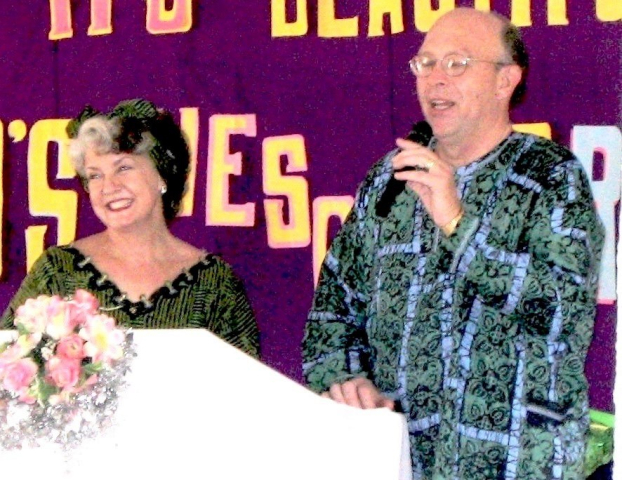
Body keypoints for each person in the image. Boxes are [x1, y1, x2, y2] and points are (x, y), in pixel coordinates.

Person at [302, 8, 604, 479]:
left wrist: (456, 221)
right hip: (402, 460)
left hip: (518, 462)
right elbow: (333, 310)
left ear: (505, 80)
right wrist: (345, 378)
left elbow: (563, 310)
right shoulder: (388, 180)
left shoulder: (550, 176)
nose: (435, 79)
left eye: (457, 64)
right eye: (425, 63)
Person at [1, 99, 259, 358]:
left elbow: (247, 379)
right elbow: (7, 364)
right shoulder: (57, 270)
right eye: (95, 175)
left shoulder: (215, 283)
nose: (108, 187)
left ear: (162, 174)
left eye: (123, 168)